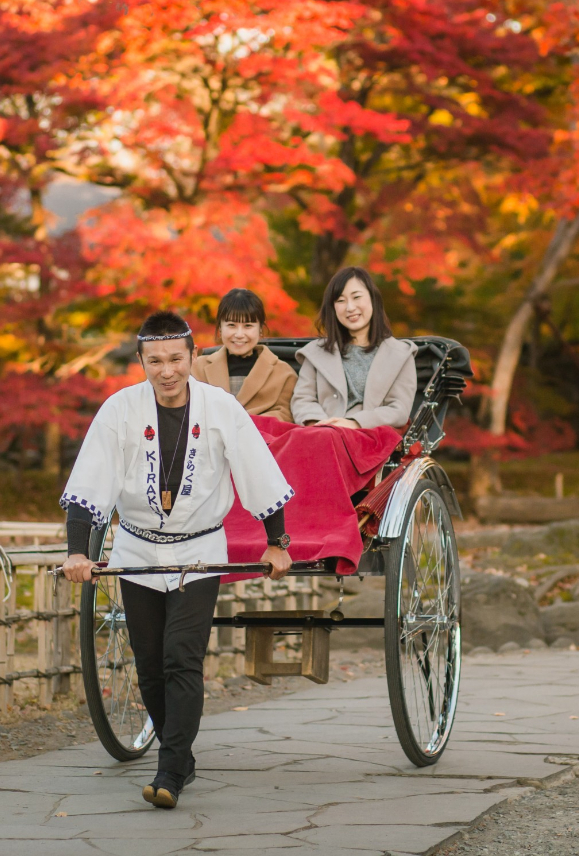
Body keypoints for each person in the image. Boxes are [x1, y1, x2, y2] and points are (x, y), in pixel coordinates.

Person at [59, 310, 294, 810]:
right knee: (148, 665)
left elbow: (257, 470)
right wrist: (78, 550)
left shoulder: (220, 406)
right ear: (141, 361)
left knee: (181, 658)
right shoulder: (119, 409)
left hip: (199, 549)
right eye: (155, 361)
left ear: (193, 356)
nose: (166, 371)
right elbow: (89, 482)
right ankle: (179, 754)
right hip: (137, 546)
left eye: (175, 359)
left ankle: (169, 770)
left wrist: (277, 541)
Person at [291, 267, 417, 430]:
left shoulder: (400, 354)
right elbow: (303, 399)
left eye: (356, 297)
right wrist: (320, 425)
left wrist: (354, 423)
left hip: (370, 436)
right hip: (321, 432)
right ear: (333, 308)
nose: (350, 307)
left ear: (373, 299)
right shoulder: (315, 352)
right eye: (340, 301)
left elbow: (399, 410)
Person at [190, 288, 296, 421]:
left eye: (248, 326)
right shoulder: (197, 368)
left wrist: (245, 424)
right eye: (231, 325)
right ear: (220, 328)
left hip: (262, 433)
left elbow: (285, 414)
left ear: (260, 329)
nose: (239, 334)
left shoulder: (283, 373)